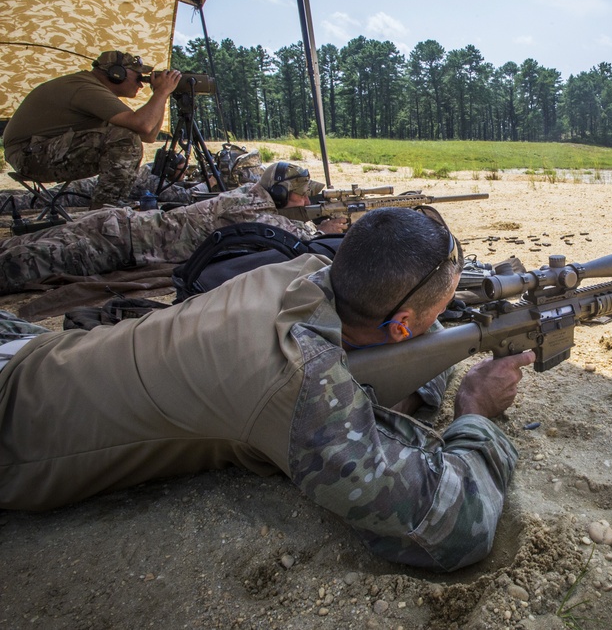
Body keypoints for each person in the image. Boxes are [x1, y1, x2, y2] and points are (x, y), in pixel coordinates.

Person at [0, 207, 535, 572]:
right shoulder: (299, 381)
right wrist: (477, 410)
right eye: (439, 313)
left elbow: (383, 350)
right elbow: (453, 527)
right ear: (399, 325)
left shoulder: (303, 272)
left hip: (28, 354)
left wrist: (443, 341)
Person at [0, 161, 345, 295]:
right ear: (281, 193)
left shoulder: (249, 195)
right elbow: (295, 240)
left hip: (117, 226)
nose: (302, 203)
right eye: (299, 197)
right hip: (116, 241)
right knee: (16, 267)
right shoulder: (251, 209)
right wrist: (326, 228)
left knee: (19, 249)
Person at [2, 50, 182, 209]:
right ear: (116, 74)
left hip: (38, 152)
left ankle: (108, 206)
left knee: (126, 136)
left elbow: (148, 134)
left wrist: (162, 95)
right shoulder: (84, 87)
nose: (141, 84)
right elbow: (142, 125)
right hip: (29, 156)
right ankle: (105, 209)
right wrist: (161, 92)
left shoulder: (90, 87)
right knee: (124, 138)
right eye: (138, 77)